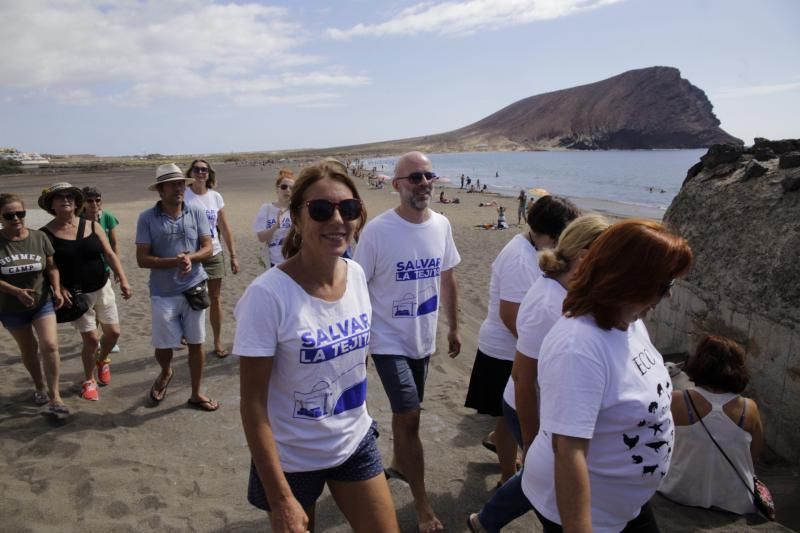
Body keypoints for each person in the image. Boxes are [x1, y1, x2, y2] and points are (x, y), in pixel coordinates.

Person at [234, 160, 399, 533]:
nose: (337, 220)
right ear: (296, 216)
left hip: (353, 440)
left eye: (349, 208)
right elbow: (253, 404)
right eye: (321, 210)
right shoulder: (267, 296)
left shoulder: (356, 275)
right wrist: (280, 499)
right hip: (291, 458)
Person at [522, 219, 693, 533]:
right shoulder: (579, 347)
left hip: (624, 505)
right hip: (590, 512)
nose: (667, 296)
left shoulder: (630, 322)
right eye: (663, 285)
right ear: (628, 281)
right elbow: (568, 450)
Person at [468, 214, 610, 533]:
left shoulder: (572, 288)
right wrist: (531, 442)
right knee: (543, 478)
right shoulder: (548, 300)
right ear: (585, 255)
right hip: (529, 405)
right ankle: (487, 520)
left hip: (546, 404)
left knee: (539, 476)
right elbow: (523, 376)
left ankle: (485, 521)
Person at [353, 151, 460, 533]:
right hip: (386, 341)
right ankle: (422, 504)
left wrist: (453, 326)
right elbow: (356, 286)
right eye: (415, 177)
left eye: (429, 175)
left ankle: (399, 464)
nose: (424, 183)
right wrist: (360, 344)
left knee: (406, 414)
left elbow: (447, 277)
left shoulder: (442, 226)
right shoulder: (378, 232)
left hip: (423, 339)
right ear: (396, 184)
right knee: (410, 415)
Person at [465, 196, 579, 489]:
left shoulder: (531, 248)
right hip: (504, 350)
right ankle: (507, 475)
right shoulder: (520, 258)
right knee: (507, 415)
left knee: (505, 417)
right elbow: (510, 315)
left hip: (514, 348)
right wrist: (540, 350)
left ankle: (503, 455)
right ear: (551, 234)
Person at [135, 163, 217, 411]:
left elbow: (208, 247)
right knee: (163, 346)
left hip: (194, 287)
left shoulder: (196, 212)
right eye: (173, 184)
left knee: (196, 342)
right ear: (161, 190)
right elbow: (142, 259)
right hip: (163, 292)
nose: (179, 188)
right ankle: (166, 371)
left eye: (181, 183)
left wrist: (191, 258)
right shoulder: (147, 218)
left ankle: (196, 393)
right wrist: (175, 261)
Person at [40, 183, 132, 400]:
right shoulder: (46, 234)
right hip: (77, 295)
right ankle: (89, 380)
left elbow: (109, 254)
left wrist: (124, 279)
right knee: (91, 340)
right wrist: (58, 287)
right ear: (51, 204)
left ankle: (102, 360)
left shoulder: (92, 226)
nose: (66, 200)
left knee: (113, 333)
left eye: (70, 196)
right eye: (60, 197)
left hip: (103, 286)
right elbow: (49, 266)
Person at [659, 335, 763, 515]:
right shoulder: (749, 408)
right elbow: (753, 456)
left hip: (679, 490)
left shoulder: (677, 400)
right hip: (733, 498)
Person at [0, 193, 67, 415]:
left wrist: (57, 289)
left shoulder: (39, 237)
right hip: (10, 308)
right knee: (29, 349)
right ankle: (39, 386)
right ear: (0, 217)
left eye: (20, 213)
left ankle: (55, 395)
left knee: (49, 345)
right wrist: (16, 291)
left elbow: (52, 267)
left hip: (42, 302)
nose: (16, 219)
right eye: (9, 215)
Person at [184, 159, 239, 358]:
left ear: (209, 174)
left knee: (215, 298)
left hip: (214, 253)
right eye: (197, 169)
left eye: (204, 170)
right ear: (190, 172)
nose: (200, 173)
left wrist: (233, 255)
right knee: (189, 297)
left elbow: (224, 227)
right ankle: (189, 335)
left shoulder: (215, 197)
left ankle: (217, 340)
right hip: (191, 254)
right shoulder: (184, 195)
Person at [81, 186, 122, 361]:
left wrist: (117, 269)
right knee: (91, 307)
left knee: (105, 303)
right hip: (86, 270)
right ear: (82, 203)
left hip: (104, 269)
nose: (94, 204)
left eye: (97, 200)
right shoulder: (78, 220)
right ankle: (95, 337)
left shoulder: (107, 217)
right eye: (89, 200)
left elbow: (114, 245)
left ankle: (108, 337)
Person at [253, 168, 294, 269]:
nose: (288, 190)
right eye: (284, 187)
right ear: (277, 189)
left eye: (292, 187)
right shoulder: (266, 208)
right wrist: (275, 227)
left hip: (295, 262)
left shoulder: (297, 210)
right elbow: (261, 238)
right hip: (275, 263)